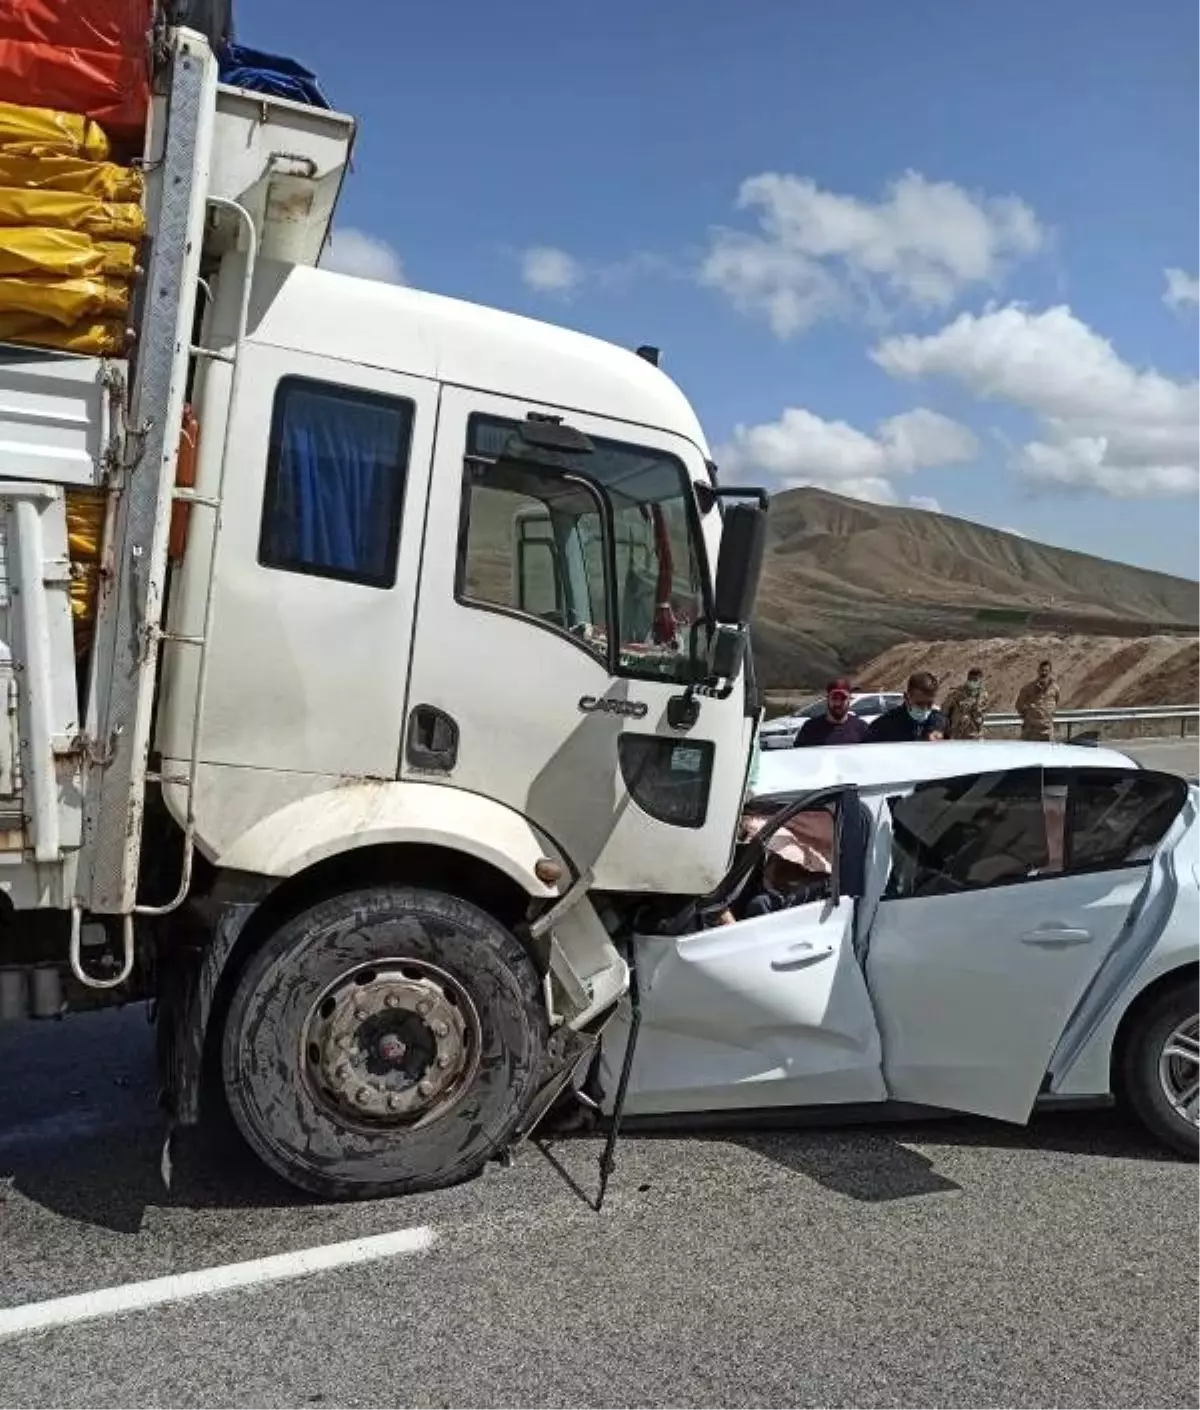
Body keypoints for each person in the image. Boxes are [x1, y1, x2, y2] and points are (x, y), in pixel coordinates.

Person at [864, 671, 945, 743]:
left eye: (929, 704)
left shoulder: (939, 721)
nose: (925, 709)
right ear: (906, 697)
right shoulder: (883, 726)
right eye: (919, 704)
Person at [795, 678, 868, 747]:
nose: (838, 703)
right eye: (834, 698)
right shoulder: (810, 728)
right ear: (827, 699)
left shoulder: (861, 728)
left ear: (849, 699)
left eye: (843, 698)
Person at [1015, 659, 1060, 741]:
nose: (1044, 673)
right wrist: (1029, 715)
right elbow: (1019, 706)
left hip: (1047, 732)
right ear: (1038, 671)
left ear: (1050, 672)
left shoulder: (1055, 689)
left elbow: (1056, 702)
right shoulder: (1028, 688)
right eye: (1042, 670)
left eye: (1046, 671)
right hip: (1032, 732)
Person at [943, 667, 989, 740]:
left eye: (975, 680)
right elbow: (945, 710)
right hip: (958, 734)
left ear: (980, 680)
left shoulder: (983, 695)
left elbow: (982, 712)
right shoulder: (957, 693)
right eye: (970, 679)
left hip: (976, 734)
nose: (972, 682)